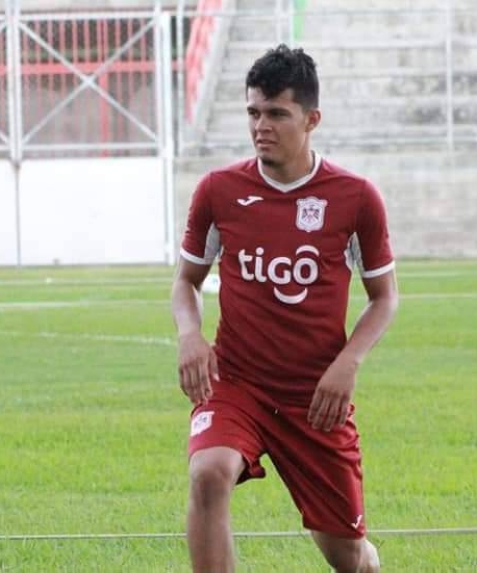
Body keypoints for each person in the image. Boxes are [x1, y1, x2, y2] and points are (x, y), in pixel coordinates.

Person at [170, 44, 400, 573]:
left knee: (349, 558)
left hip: (315, 398)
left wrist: (348, 364)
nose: (261, 126)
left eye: (277, 113)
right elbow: (186, 282)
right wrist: (189, 334)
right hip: (237, 384)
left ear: (311, 118)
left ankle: (367, 558)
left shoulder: (355, 197)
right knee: (208, 473)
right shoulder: (218, 191)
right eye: (253, 112)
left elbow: (384, 297)